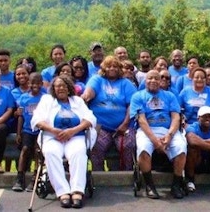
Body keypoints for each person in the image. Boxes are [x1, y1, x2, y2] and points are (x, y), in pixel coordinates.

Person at [31, 75, 96, 209]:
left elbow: (90, 118)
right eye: (57, 86)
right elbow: (37, 120)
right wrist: (54, 130)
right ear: (53, 88)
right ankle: (63, 192)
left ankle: (77, 191)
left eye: (63, 85)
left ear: (69, 88)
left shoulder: (77, 101)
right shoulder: (47, 100)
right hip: (53, 137)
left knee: (78, 153)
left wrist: (73, 130)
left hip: (75, 136)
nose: (61, 88)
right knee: (50, 152)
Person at [131, 70, 186, 199]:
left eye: (156, 78)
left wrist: (169, 135)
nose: (153, 81)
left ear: (161, 81)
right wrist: (155, 141)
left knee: (181, 148)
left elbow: (176, 118)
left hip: (168, 130)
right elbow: (142, 121)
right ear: (145, 80)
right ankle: (149, 186)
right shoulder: (138, 96)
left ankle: (176, 185)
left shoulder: (170, 96)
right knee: (144, 149)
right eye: (150, 78)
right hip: (147, 131)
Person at [81, 55, 137, 171]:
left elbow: (132, 105)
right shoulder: (97, 79)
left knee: (128, 145)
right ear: (104, 68)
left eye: (115, 66)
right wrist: (86, 96)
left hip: (123, 126)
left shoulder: (125, 83)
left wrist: (125, 124)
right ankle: (98, 176)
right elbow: (89, 92)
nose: (112, 68)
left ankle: (127, 174)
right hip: (101, 126)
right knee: (96, 145)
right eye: (109, 66)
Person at [12, 73, 43, 192]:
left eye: (37, 83)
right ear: (28, 83)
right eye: (32, 83)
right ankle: (20, 177)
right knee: (25, 149)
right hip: (27, 130)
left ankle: (36, 178)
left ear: (41, 84)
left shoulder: (44, 98)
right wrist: (18, 133)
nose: (34, 85)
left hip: (40, 130)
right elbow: (20, 116)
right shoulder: (24, 98)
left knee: (37, 151)